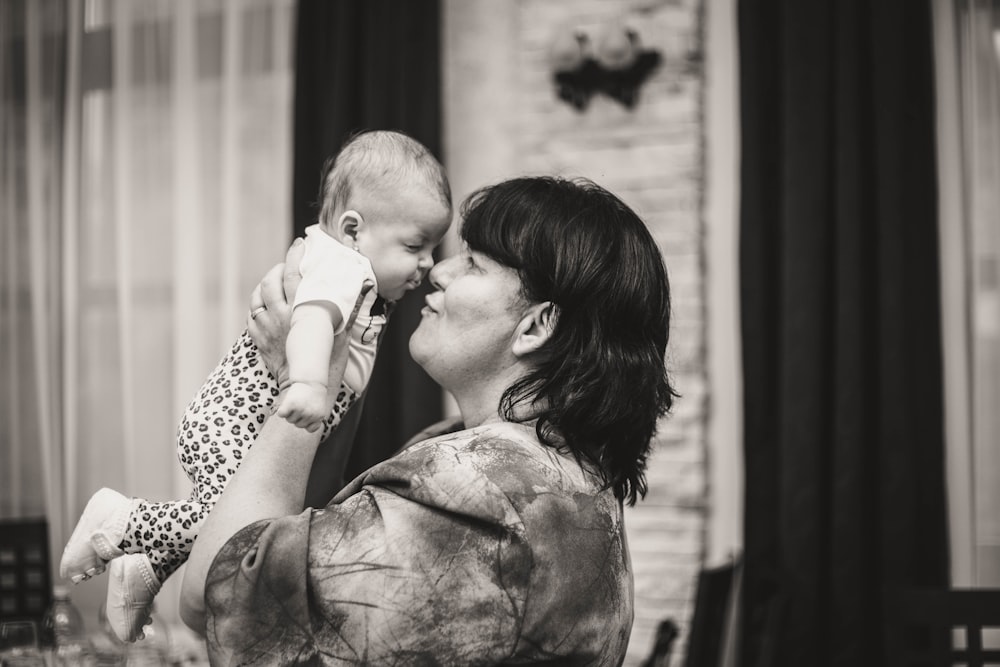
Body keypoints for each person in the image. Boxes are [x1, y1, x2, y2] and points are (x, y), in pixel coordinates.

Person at [178, 175, 677, 665]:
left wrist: (299, 383)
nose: (438, 271)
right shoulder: (554, 469)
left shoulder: (478, 494)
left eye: (475, 264)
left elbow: (221, 598)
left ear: (536, 326)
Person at [58, 130, 453, 642]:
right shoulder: (341, 265)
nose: (429, 264)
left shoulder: (362, 274)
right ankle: (127, 520)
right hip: (232, 423)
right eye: (415, 246)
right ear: (354, 230)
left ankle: (146, 565)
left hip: (244, 426)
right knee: (243, 544)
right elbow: (311, 320)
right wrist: (309, 382)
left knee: (234, 529)